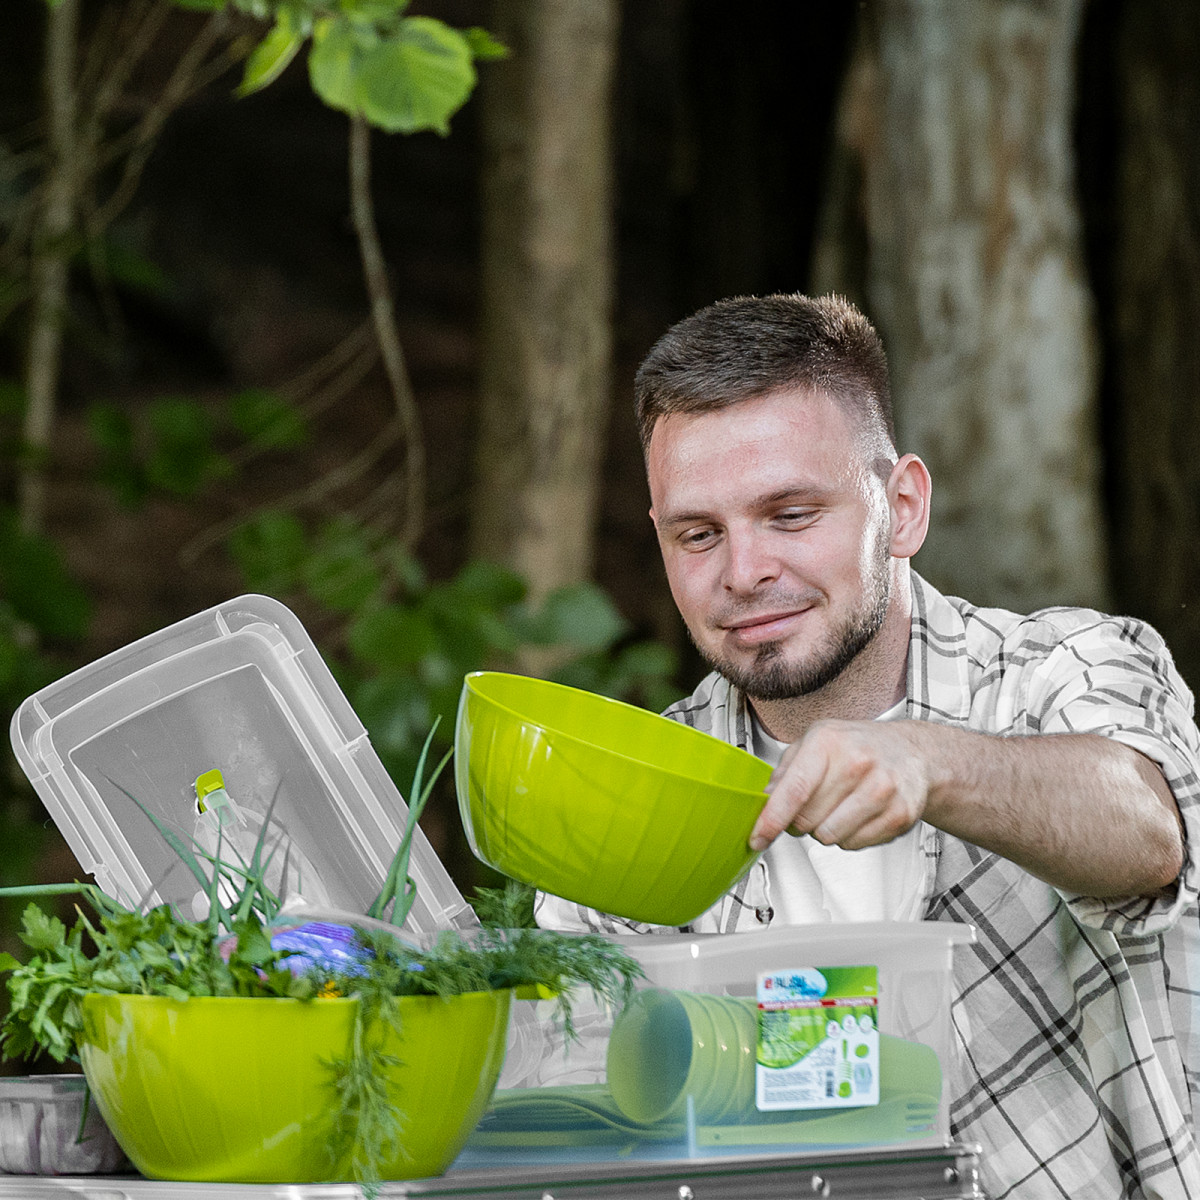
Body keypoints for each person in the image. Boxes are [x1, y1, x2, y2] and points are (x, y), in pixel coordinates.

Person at [535, 293, 1200, 1200]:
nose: (743, 572)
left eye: (791, 515)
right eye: (699, 534)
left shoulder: (1065, 668)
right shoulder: (634, 793)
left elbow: (1148, 835)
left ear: (904, 507)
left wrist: (933, 764)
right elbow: (585, 1118)